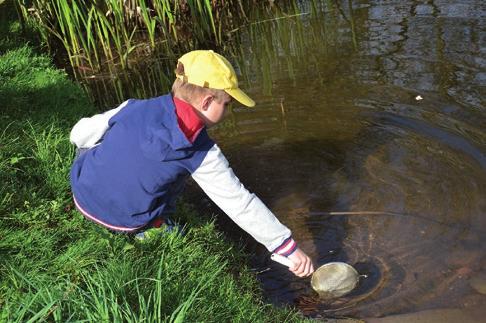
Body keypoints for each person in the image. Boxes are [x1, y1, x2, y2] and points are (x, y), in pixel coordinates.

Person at [69, 50, 314, 277]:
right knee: (178, 182)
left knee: (96, 141)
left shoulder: (135, 106)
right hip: (126, 221)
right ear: (207, 102)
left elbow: (78, 134)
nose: (228, 111)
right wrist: (286, 247)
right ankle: (152, 227)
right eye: (227, 104)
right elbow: (239, 203)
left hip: (82, 192)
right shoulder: (201, 152)